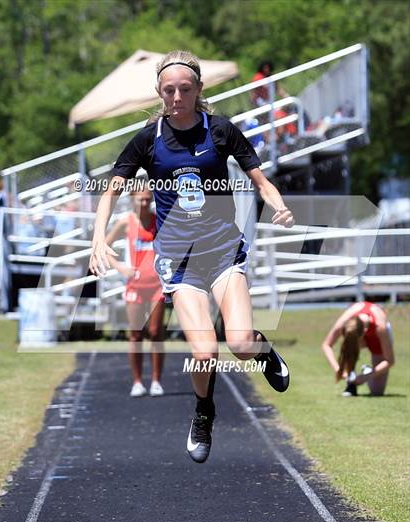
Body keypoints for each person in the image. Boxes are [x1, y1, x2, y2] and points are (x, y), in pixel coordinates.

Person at [90, 50, 294, 463]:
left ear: (199, 89)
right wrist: (98, 238)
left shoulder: (220, 130)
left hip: (222, 251)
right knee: (204, 352)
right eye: (169, 90)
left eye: (185, 88)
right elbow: (111, 190)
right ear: (159, 93)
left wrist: (277, 203)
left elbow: (259, 179)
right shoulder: (148, 140)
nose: (177, 96)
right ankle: (204, 412)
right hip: (180, 262)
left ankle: (264, 350)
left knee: (238, 343)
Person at [105, 186, 165, 397]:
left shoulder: (159, 220)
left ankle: (156, 380)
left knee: (156, 332)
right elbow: (104, 246)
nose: (144, 203)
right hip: (135, 286)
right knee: (135, 334)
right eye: (140, 200)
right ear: (133, 200)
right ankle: (137, 381)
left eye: (147, 200)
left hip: (157, 285)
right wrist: (120, 267)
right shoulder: (125, 222)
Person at [321, 301, 394, 397]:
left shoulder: (380, 328)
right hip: (359, 333)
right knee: (349, 346)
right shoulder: (345, 323)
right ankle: (351, 384)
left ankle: (367, 370)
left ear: (364, 332)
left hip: (376, 338)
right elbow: (326, 345)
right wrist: (338, 369)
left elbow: (390, 361)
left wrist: (366, 376)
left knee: (377, 392)